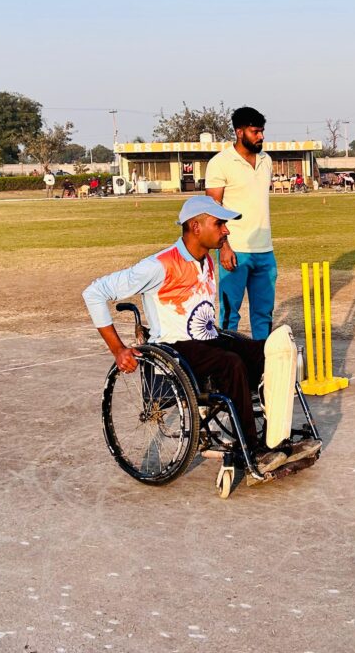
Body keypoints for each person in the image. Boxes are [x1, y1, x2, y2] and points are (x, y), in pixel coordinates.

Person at [82, 195, 283, 472]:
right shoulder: (158, 265)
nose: (226, 230)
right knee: (230, 363)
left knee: (267, 351)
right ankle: (252, 450)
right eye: (219, 224)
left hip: (206, 339)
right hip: (174, 347)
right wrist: (118, 349)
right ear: (195, 227)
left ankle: (274, 435)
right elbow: (94, 293)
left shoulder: (206, 259)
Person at [204, 106, 277, 338]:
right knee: (229, 315)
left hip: (265, 250)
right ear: (239, 132)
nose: (261, 137)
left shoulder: (267, 160)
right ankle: (227, 368)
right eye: (255, 132)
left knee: (264, 313)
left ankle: (262, 365)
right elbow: (212, 210)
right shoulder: (220, 162)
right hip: (235, 250)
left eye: (262, 131)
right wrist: (224, 247)